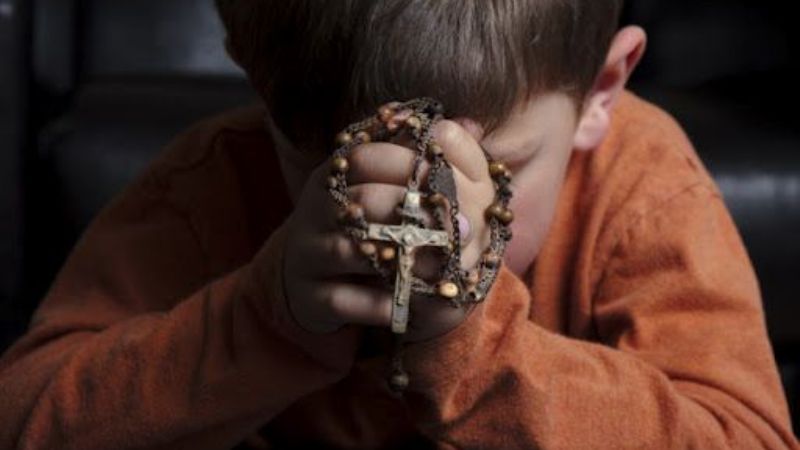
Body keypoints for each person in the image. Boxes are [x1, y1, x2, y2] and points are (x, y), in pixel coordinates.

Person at [1, 0, 797, 448]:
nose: (400, 219)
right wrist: (269, 313)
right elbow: (26, 419)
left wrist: (474, 344)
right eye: (325, 166)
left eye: (499, 173)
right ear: (259, 90)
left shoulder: (642, 188)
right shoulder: (211, 180)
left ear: (602, 89)